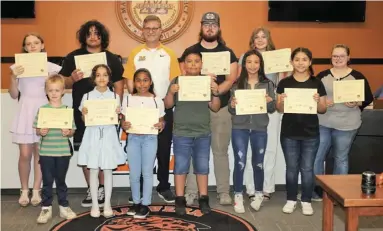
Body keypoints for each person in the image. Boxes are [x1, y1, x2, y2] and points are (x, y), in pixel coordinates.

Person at [59, 20, 124, 208]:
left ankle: (102, 188)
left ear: (102, 36)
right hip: (84, 115)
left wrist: (116, 108)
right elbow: (63, 84)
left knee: (104, 151)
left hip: (107, 116)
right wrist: (72, 78)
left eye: (97, 33)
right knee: (87, 151)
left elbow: (119, 85)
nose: (93, 37)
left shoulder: (112, 58)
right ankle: (92, 188)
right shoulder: (73, 57)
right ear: (83, 37)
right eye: (89, 34)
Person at [180, 12, 238, 205]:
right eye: (206, 24)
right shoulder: (190, 51)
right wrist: (202, 92)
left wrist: (216, 91)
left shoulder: (228, 53)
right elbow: (184, 76)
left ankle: (223, 192)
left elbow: (231, 78)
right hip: (195, 109)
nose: (210, 28)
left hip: (220, 109)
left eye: (213, 25)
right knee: (192, 152)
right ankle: (191, 192)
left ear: (218, 28)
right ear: (201, 27)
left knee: (220, 151)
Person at [123, 15, 180, 203]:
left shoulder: (169, 54)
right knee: (139, 150)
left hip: (162, 107)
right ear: (142, 30)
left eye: (155, 28)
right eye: (148, 28)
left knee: (163, 150)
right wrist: (133, 103)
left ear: (161, 30)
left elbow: (174, 82)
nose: (151, 31)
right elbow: (130, 81)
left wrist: (167, 101)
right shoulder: (135, 53)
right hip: (139, 108)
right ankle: (137, 189)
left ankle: (163, 185)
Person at [313, 44, 373, 200]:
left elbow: (367, 98)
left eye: (341, 56)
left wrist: (356, 103)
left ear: (348, 58)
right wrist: (323, 102)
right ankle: (317, 190)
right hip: (323, 122)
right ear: (331, 58)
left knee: (341, 158)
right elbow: (314, 96)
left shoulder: (357, 76)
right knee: (317, 156)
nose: (338, 59)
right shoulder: (322, 75)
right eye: (334, 56)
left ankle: (337, 193)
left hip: (347, 124)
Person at [164, 51, 221, 215]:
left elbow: (215, 107)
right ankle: (180, 199)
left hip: (203, 132)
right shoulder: (176, 81)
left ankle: (204, 198)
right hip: (181, 132)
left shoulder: (206, 82)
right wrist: (171, 92)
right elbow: (167, 105)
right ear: (184, 65)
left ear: (202, 64)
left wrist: (215, 92)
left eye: (197, 61)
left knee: (202, 167)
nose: (193, 64)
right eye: (189, 61)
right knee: (180, 167)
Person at [9, 33, 62, 207]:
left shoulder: (51, 68)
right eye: (28, 44)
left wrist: (50, 80)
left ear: (42, 45)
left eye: (36, 43)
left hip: (44, 112)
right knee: (25, 154)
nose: (32, 46)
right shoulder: (17, 67)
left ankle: (37, 189)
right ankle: (24, 189)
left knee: (40, 155)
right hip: (25, 110)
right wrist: (13, 77)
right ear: (24, 47)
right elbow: (14, 94)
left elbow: (56, 91)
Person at [276, 47, 327, 216]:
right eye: (297, 59)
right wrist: (281, 101)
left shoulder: (317, 83)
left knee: (307, 168)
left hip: (311, 133)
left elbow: (322, 109)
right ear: (291, 62)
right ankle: (291, 199)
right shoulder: (284, 83)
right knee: (291, 168)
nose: (300, 63)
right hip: (289, 133)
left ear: (310, 62)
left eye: (304, 59)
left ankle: (306, 200)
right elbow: (279, 108)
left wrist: (319, 101)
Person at [237, 27, 285, 201]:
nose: (260, 40)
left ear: (269, 39)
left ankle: (266, 188)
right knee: (251, 149)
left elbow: (282, 82)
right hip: (250, 108)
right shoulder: (244, 57)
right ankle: (251, 188)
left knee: (270, 149)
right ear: (252, 40)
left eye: (263, 37)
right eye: (256, 37)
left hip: (270, 108)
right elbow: (238, 81)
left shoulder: (278, 57)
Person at [228, 50, 276, 213]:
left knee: (258, 163)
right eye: (249, 62)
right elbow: (231, 109)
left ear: (260, 64)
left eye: (256, 62)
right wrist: (232, 105)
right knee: (240, 162)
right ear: (244, 64)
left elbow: (271, 109)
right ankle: (238, 195)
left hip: (259, 128)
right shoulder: (236, 84)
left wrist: (271, 101)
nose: (253, 65)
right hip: (239, 128)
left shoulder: (268, 84)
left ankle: (258, 194)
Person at [77, 64, 126, 218]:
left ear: (109, 78)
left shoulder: (115, 97)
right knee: (93, 169)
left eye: (105, 75)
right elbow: (84, 119)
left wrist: (118, 114)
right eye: (98, 75)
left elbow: (117, 120)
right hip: (92, 135)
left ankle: (107, 204)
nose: (102, 78)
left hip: (109, 135)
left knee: (108, 169)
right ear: (93, 78)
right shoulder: (87, 96)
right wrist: (84, 114)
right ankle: (95, 206)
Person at [33, 75, 77, 223]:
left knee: (61, 180)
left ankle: (64, 206)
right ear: (46, 91)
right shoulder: (42, 110)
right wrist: (41, 131)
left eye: (57, 90)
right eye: (51, 90)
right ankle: (46, 208)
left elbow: (72, 130)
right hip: (46, 152)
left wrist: (68, 132)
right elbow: (37, 130)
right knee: (47, 181)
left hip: (63, 152)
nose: (54, 93)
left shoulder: (66, 110)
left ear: (63, 91)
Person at [122, 68, 165, 219]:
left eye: (145, 80)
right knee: (134, 173)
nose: (142, 83)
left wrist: (161, 125)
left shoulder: (157, 100)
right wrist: (124, 125)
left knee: (147, 172)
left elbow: (161, 120)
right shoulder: (127, 99)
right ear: (134, 82)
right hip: (133, 138)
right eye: (138, 80)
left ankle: (145, 204)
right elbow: (124, 120)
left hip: (150, 139)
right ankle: (135, 202)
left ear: (150, 82)